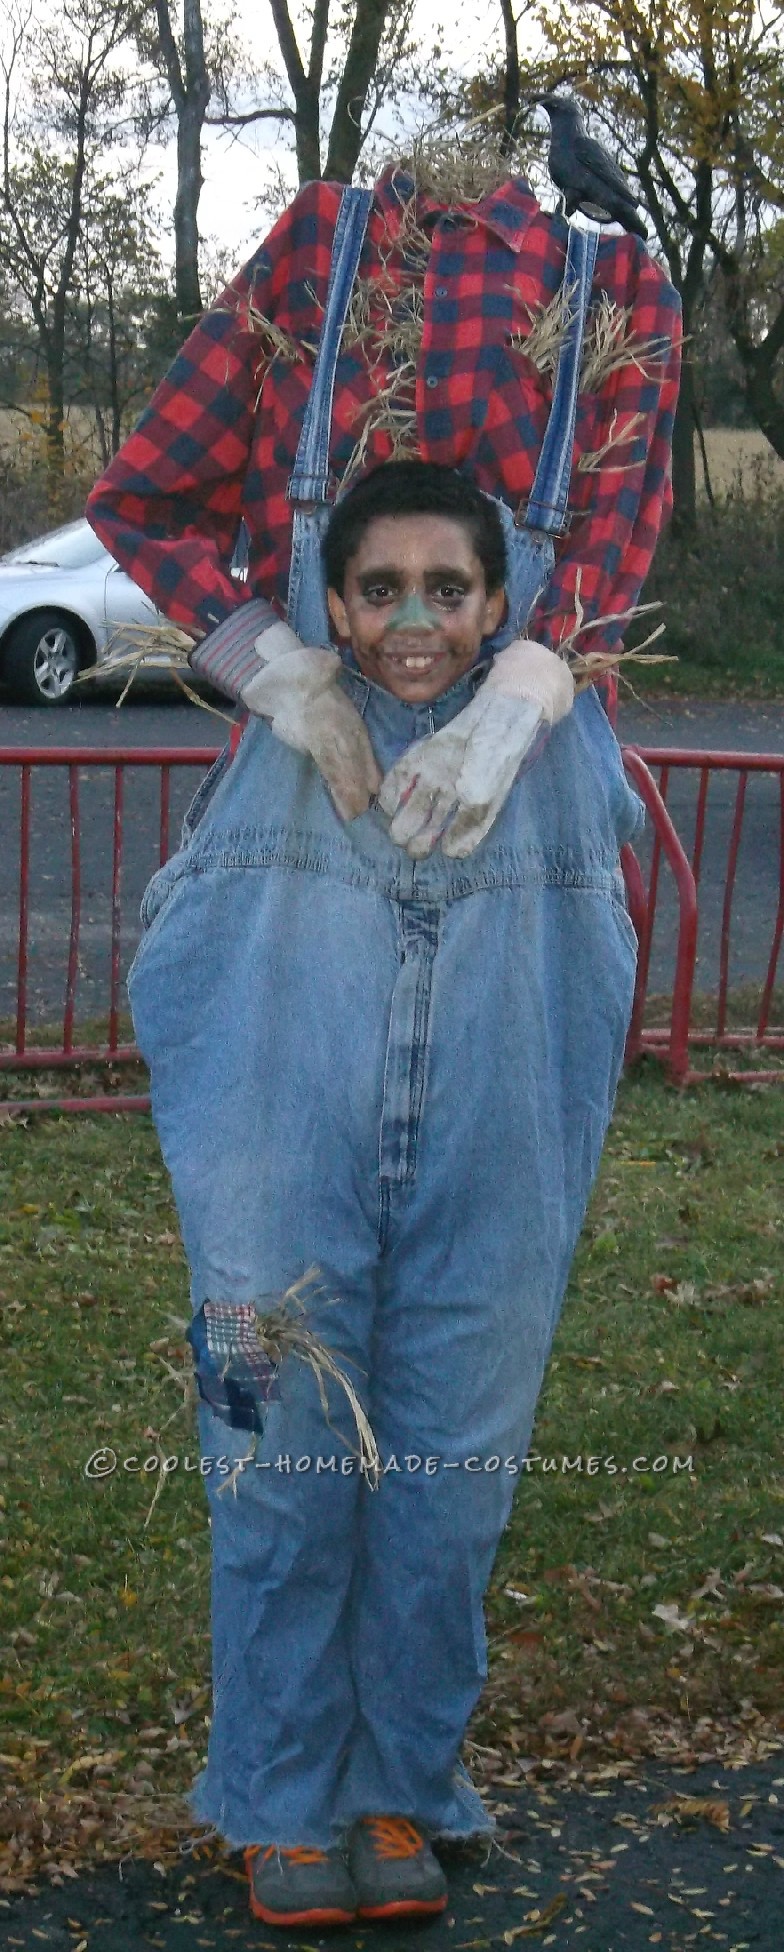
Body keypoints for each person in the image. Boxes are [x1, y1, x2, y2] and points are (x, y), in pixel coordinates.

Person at [85, 156, 681, 1930]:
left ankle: (404, 1779)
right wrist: (275, 660)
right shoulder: (325, 259)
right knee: (278, 1403)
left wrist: (538, 674)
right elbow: (142, 497)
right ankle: (279, 1789)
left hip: (524, 939)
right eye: (384, 590)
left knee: (458, 1429)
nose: (414, 614)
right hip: (293, 938)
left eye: (451, 592)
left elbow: (619, 548)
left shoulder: (618, 295)